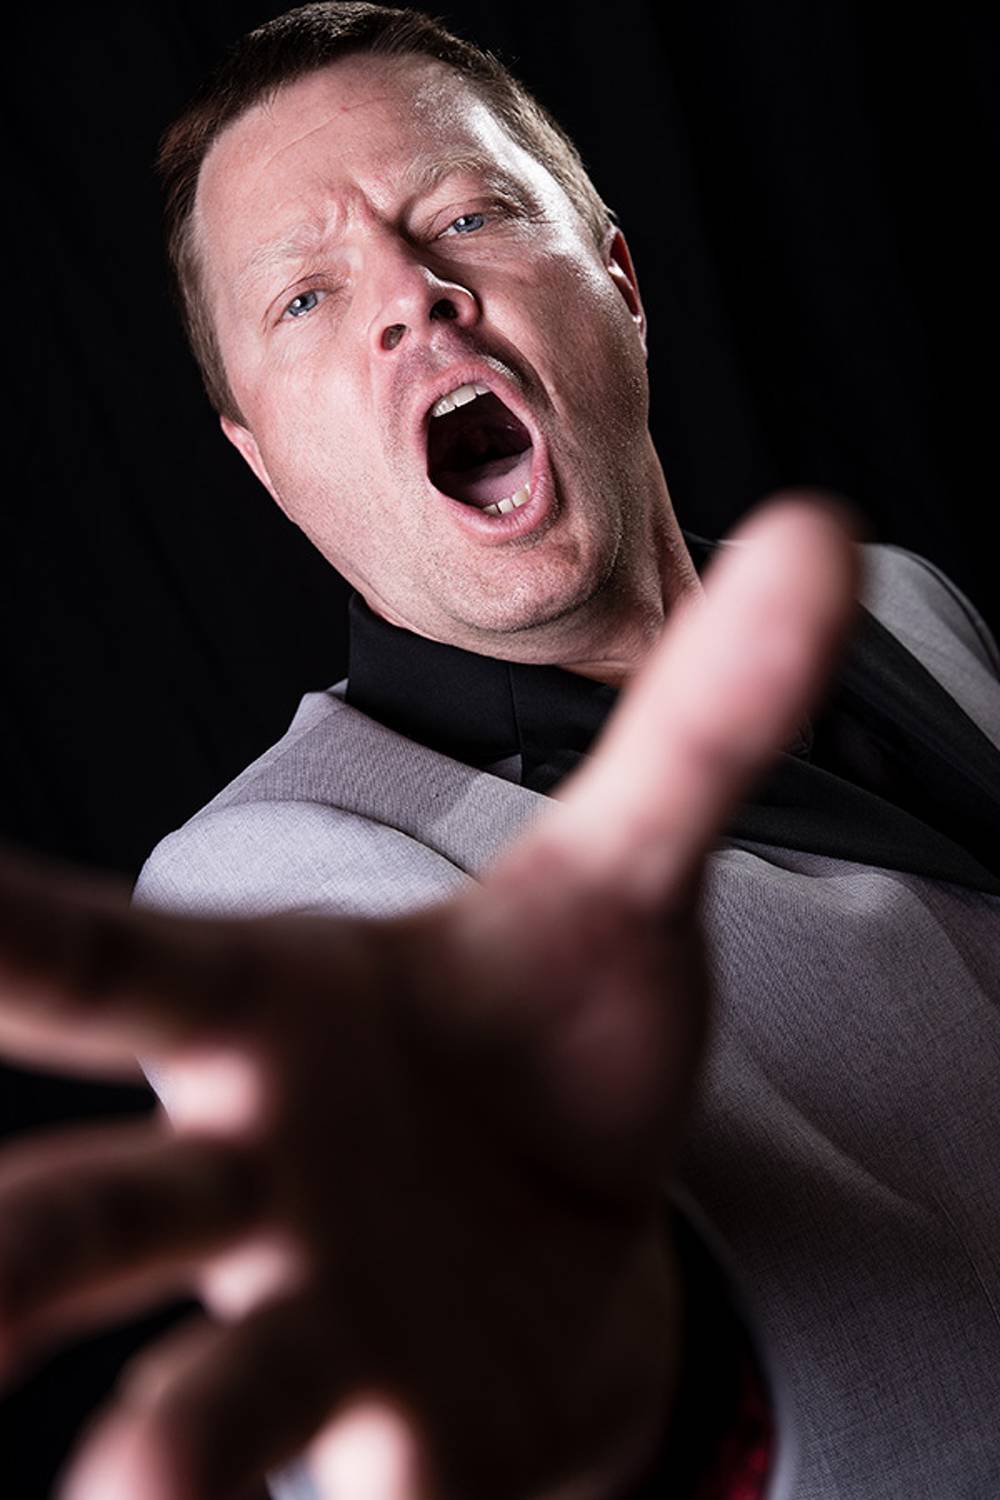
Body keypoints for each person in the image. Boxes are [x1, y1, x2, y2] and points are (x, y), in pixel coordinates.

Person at [0, 4, 997, 1499]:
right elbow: (440, 1295)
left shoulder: (899, 602)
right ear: (265, 464)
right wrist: (642, 1409)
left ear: (620, 283)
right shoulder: (275, 878)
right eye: (305, 298)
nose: (414, 296)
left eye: (468, 214)